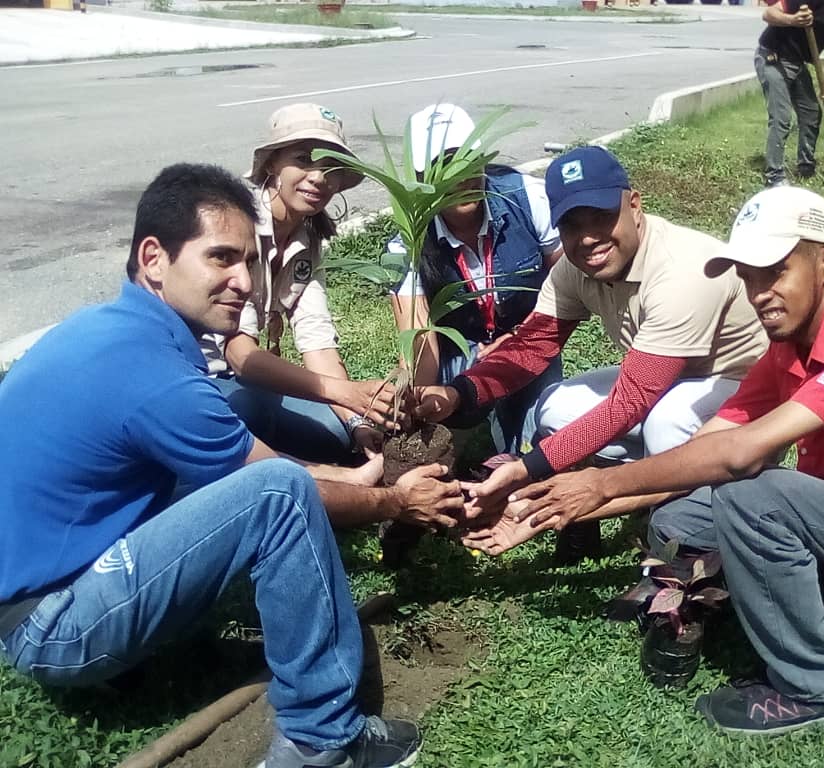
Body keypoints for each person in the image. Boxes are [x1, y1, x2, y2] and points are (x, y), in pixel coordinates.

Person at [0, 164, 465, 768]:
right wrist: (398, 503)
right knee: (279, 496)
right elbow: (277, 485)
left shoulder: (111, 331)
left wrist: (355, 476)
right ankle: (323, 741)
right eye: (221, 258)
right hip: (53, 628)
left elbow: (241, 463)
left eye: (248, 261)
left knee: (231, 478)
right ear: (154, 258)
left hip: (47, 589)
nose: (243, 281)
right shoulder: (154, 375)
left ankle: (180, 655)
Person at [502, 186, 824, 734]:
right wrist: (555, 507)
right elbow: (702, 451)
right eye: (747, 275)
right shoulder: (786, 351)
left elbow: (739, 455)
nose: (758, 292)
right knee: (680, 516)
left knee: (750, 494)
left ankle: (816, 686)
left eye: (775, 271)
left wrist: (600, 486)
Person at [418, 145, 768, 563]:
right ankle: (588, 512)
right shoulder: (573, 267)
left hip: (743, 394)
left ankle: (686, 542)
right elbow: (533, 346)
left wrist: (528, 468)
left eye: (602, 216)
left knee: (665, 419)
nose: (588, 238)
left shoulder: (682, 271)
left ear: (634, 205)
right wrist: (457, 396)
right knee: (556, 406)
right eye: (571, 223)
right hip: (671, 379)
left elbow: (632, 401)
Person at [204, 102, 401, 463]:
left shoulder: (307, 239)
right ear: (272, 164)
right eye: (303, 159)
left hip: (245, 384)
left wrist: (356, 420)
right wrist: (346, 391)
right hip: (202, 381)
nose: (318, 177)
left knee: (339, 436)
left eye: (331, 167)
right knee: (247, 409)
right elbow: (240, 354)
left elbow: (317, 341)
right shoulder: (239, 226)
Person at [388, 103, 564, 456]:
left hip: (529, 339)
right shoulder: (405, 243)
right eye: (442, 167)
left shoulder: (528, 198)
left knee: (538, 443)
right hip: (459, 352)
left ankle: (516, 442)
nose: (461, 177)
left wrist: (517, 339)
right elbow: (421, 340)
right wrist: (419, 402)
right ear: (421, 179)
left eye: (467, 160)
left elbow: (567, 285)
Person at [755, 0, 824, 187]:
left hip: (797, 62)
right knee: (781, 117)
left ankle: (805, 166)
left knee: (811, 113)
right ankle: (774, 175)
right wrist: (793, 20)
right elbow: (768, 14)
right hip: (773, 56)